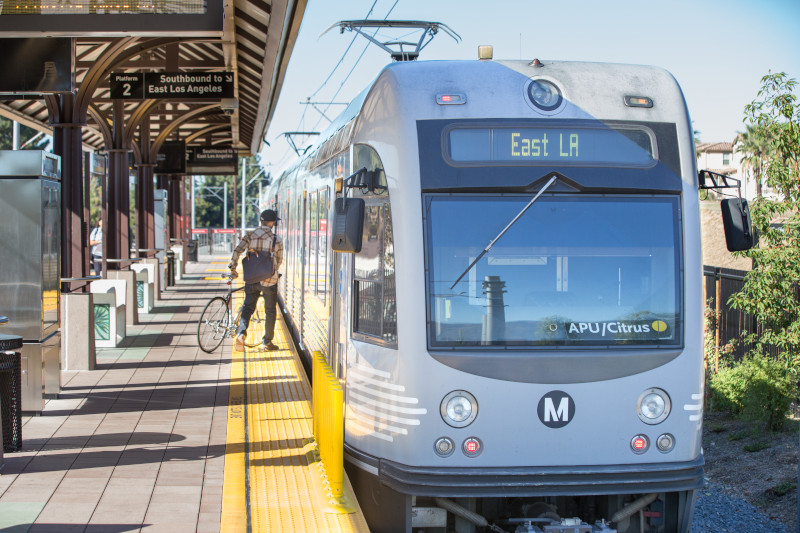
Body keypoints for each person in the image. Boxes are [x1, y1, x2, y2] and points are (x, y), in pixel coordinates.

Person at [229, 209, 284, 351]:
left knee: (247, 308)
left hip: (251, 279)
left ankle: (241, 334)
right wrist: (271, 272)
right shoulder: (276, 239)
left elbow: (237, 251)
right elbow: (279, 261)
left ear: (261, 221)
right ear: (272, 223)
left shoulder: (250, 235)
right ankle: (267, 342)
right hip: (269, 281)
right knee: (270, 311)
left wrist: (233, 268)